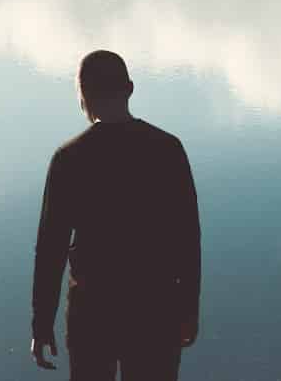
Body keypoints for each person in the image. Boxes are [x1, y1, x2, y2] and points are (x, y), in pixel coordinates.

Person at [31, 50, 201, 379]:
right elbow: (188, 240)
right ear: (130, 88)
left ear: (82, 95)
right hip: (156, 306)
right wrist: (188, 309)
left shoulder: (69, 158)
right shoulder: (168, 149)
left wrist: (41, 324)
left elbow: (51, 249)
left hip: (92, 312)